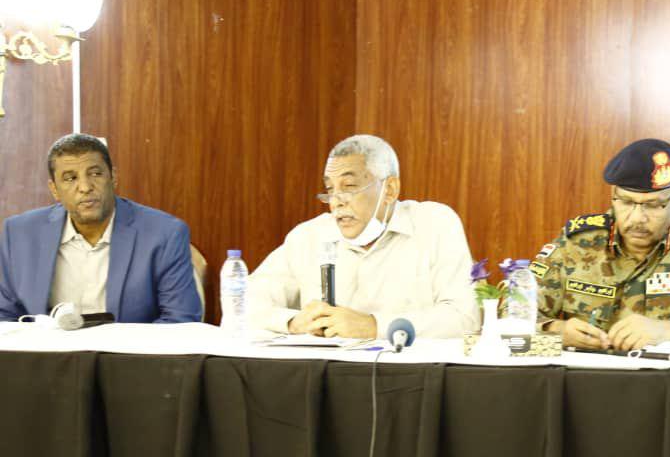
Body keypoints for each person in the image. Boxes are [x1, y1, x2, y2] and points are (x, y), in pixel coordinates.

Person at [248, 134, 480, 338]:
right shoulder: (309, 236)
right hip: (324, 370)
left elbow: (464, 318)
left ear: (389, 190)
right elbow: (244, 301)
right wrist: (292, 323)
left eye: (349, 186)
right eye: (330, 190)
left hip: (408, 370)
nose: (337, 202)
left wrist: (373, 326)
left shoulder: (434, 224)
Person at [532, 138, 670, 350]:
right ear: (613, 195)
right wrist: (556, 331)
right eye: (627, 202)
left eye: (653, 205)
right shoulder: (577, 242)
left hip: (664, 375)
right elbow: (516, 310)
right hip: (584, 372)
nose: (638, 218)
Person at [0, 133, 202, 323]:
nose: (85, 187)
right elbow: (5, 316)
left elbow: (180, 320)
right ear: (54, 189)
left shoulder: (164, 234)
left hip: (129, 349)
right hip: (45, 349)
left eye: (95, 174)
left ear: (113, 177)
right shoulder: (19, 234)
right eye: (70, 178)